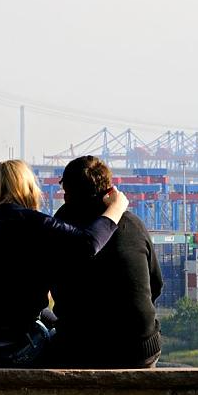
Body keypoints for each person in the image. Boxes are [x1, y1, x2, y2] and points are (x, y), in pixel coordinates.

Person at [0, 159, 129, 353]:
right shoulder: (34, 224)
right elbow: (88, 243)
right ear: (29, 187)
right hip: (12, 344)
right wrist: (116, 207)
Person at [48, 155, 163, 368]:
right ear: (109, 191)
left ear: (66, 195)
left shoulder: (59, 229)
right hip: (138, 350)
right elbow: (155, 284)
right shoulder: (133, 224)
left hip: (79, 349)